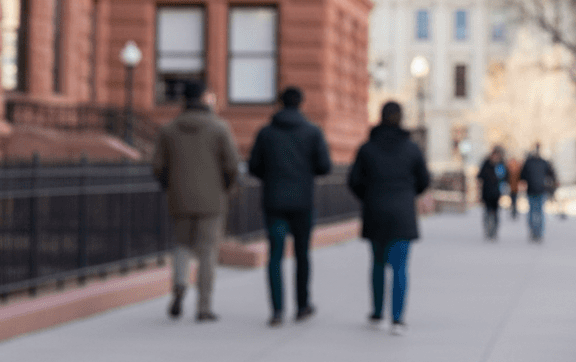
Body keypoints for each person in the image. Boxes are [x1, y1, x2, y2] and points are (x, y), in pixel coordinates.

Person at [151, 80, 239, 322]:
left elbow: (158, 165)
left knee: (181, 246)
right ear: (203, 98)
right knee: (207, 253)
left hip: (179, 198)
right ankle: (204, 306)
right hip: (212, 199)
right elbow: (232, 165)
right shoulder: (219, 128)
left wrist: (170, 186)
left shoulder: (168, 130)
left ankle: (179, 287)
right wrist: (227, 188)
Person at [248, 86, 332, 327]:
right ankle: (302, 305)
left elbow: (254, 166)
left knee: (274, 256)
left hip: (274, 201)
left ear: (279, 103)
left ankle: (276, 310)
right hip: (303, 202)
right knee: (302, 255)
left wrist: (272, 175)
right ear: (301, 104)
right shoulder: (312, 132)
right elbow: (324, 166)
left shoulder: (266, 133)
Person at [347, 101, 429, 335]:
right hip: (402, 213)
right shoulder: (412, 148)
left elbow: (354, 181)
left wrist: (370, 196)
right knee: (401, 267)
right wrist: (407, 195)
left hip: (375, 211)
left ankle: (376, 312)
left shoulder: (367, 148)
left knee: (378, 264)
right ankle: (397, 319)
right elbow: (423, 181)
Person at [518, 144, 557, 242]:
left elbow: (522, 176)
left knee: (534, 212)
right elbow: (552, 175)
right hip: (537, 190)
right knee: (538, 212)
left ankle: (535, 232)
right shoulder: (542, 162)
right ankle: (537, 233)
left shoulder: (531, 162)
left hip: (536, 190)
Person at [477, 146, 508, 240]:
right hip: (486, 192)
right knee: (487, 212)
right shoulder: (486, 163)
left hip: (496, 193)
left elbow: (506, 177)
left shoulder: (501, 165)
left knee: (495, 213)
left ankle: (494, 231)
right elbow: (480, 176)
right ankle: (488, 230)